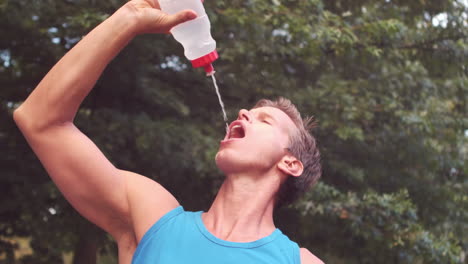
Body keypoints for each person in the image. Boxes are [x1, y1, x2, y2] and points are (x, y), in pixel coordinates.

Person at [13, 0, 323, 263]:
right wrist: (131, 16)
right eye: (247, 112)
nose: (242, 113)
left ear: (290, 163)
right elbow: (40, 120)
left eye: (265, 120)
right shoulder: (151, 217)